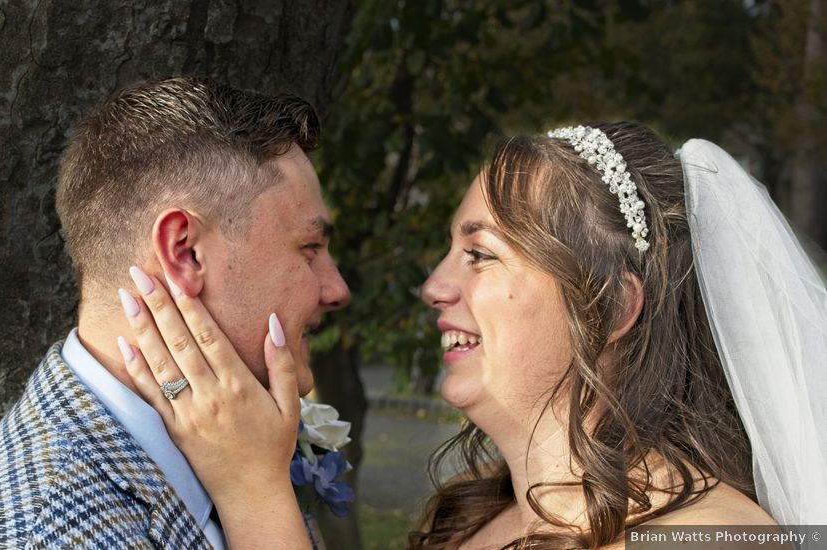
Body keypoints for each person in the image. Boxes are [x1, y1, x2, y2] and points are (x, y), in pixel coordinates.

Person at [119, 122, 827, 548]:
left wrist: (254, 491)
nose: (433, 285)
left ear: (610, 310)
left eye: (481, 253)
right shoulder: (467, 518)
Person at [0, 77, 350, 549]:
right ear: (185, 253)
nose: (337, 289)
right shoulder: (45, 533)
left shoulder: (240, 437)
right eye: (310, 248)